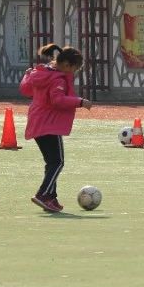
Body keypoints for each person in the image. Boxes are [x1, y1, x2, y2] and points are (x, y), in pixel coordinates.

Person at [21, 46, 93, 213]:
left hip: (37, 122)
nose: (73, 73)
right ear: (67, 64)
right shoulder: (58, 79)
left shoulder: (41, 73)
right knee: (58, 162)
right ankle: (43, 194)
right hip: (49, 124)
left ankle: (51, 198)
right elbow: (57, 100)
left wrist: (26, 75)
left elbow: (25, 89)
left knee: (51, 162)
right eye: (75, 69)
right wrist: (80, 101)